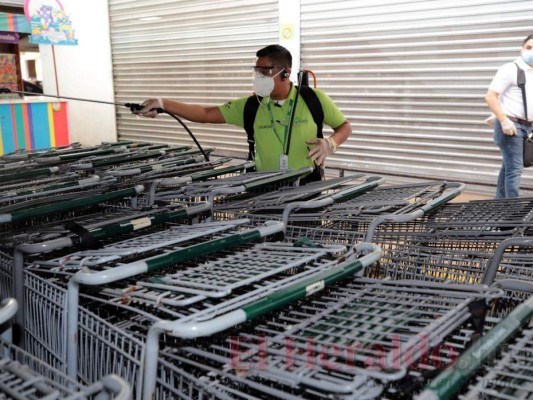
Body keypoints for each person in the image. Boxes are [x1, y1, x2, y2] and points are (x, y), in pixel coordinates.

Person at [139, 44, 352, 184]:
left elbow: (344, 127)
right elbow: (205, 113)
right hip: (262, 188)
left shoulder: (314, 99)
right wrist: (163, 103)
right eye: (256, 70)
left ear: (286, 72)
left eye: (265, 71)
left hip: (307, 188)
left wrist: (330, 143)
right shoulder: (252, 105)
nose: (259, 76)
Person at [485, 34, 533, 199]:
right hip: (511, 126)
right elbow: (491, 96)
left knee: (508, 167)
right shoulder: (510, 69)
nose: (531, 52)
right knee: (515, 170)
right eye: (529, 47)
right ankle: (511, 213)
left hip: (528, 126)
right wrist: (502, 119)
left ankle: (500, 205)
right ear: (522, 48)